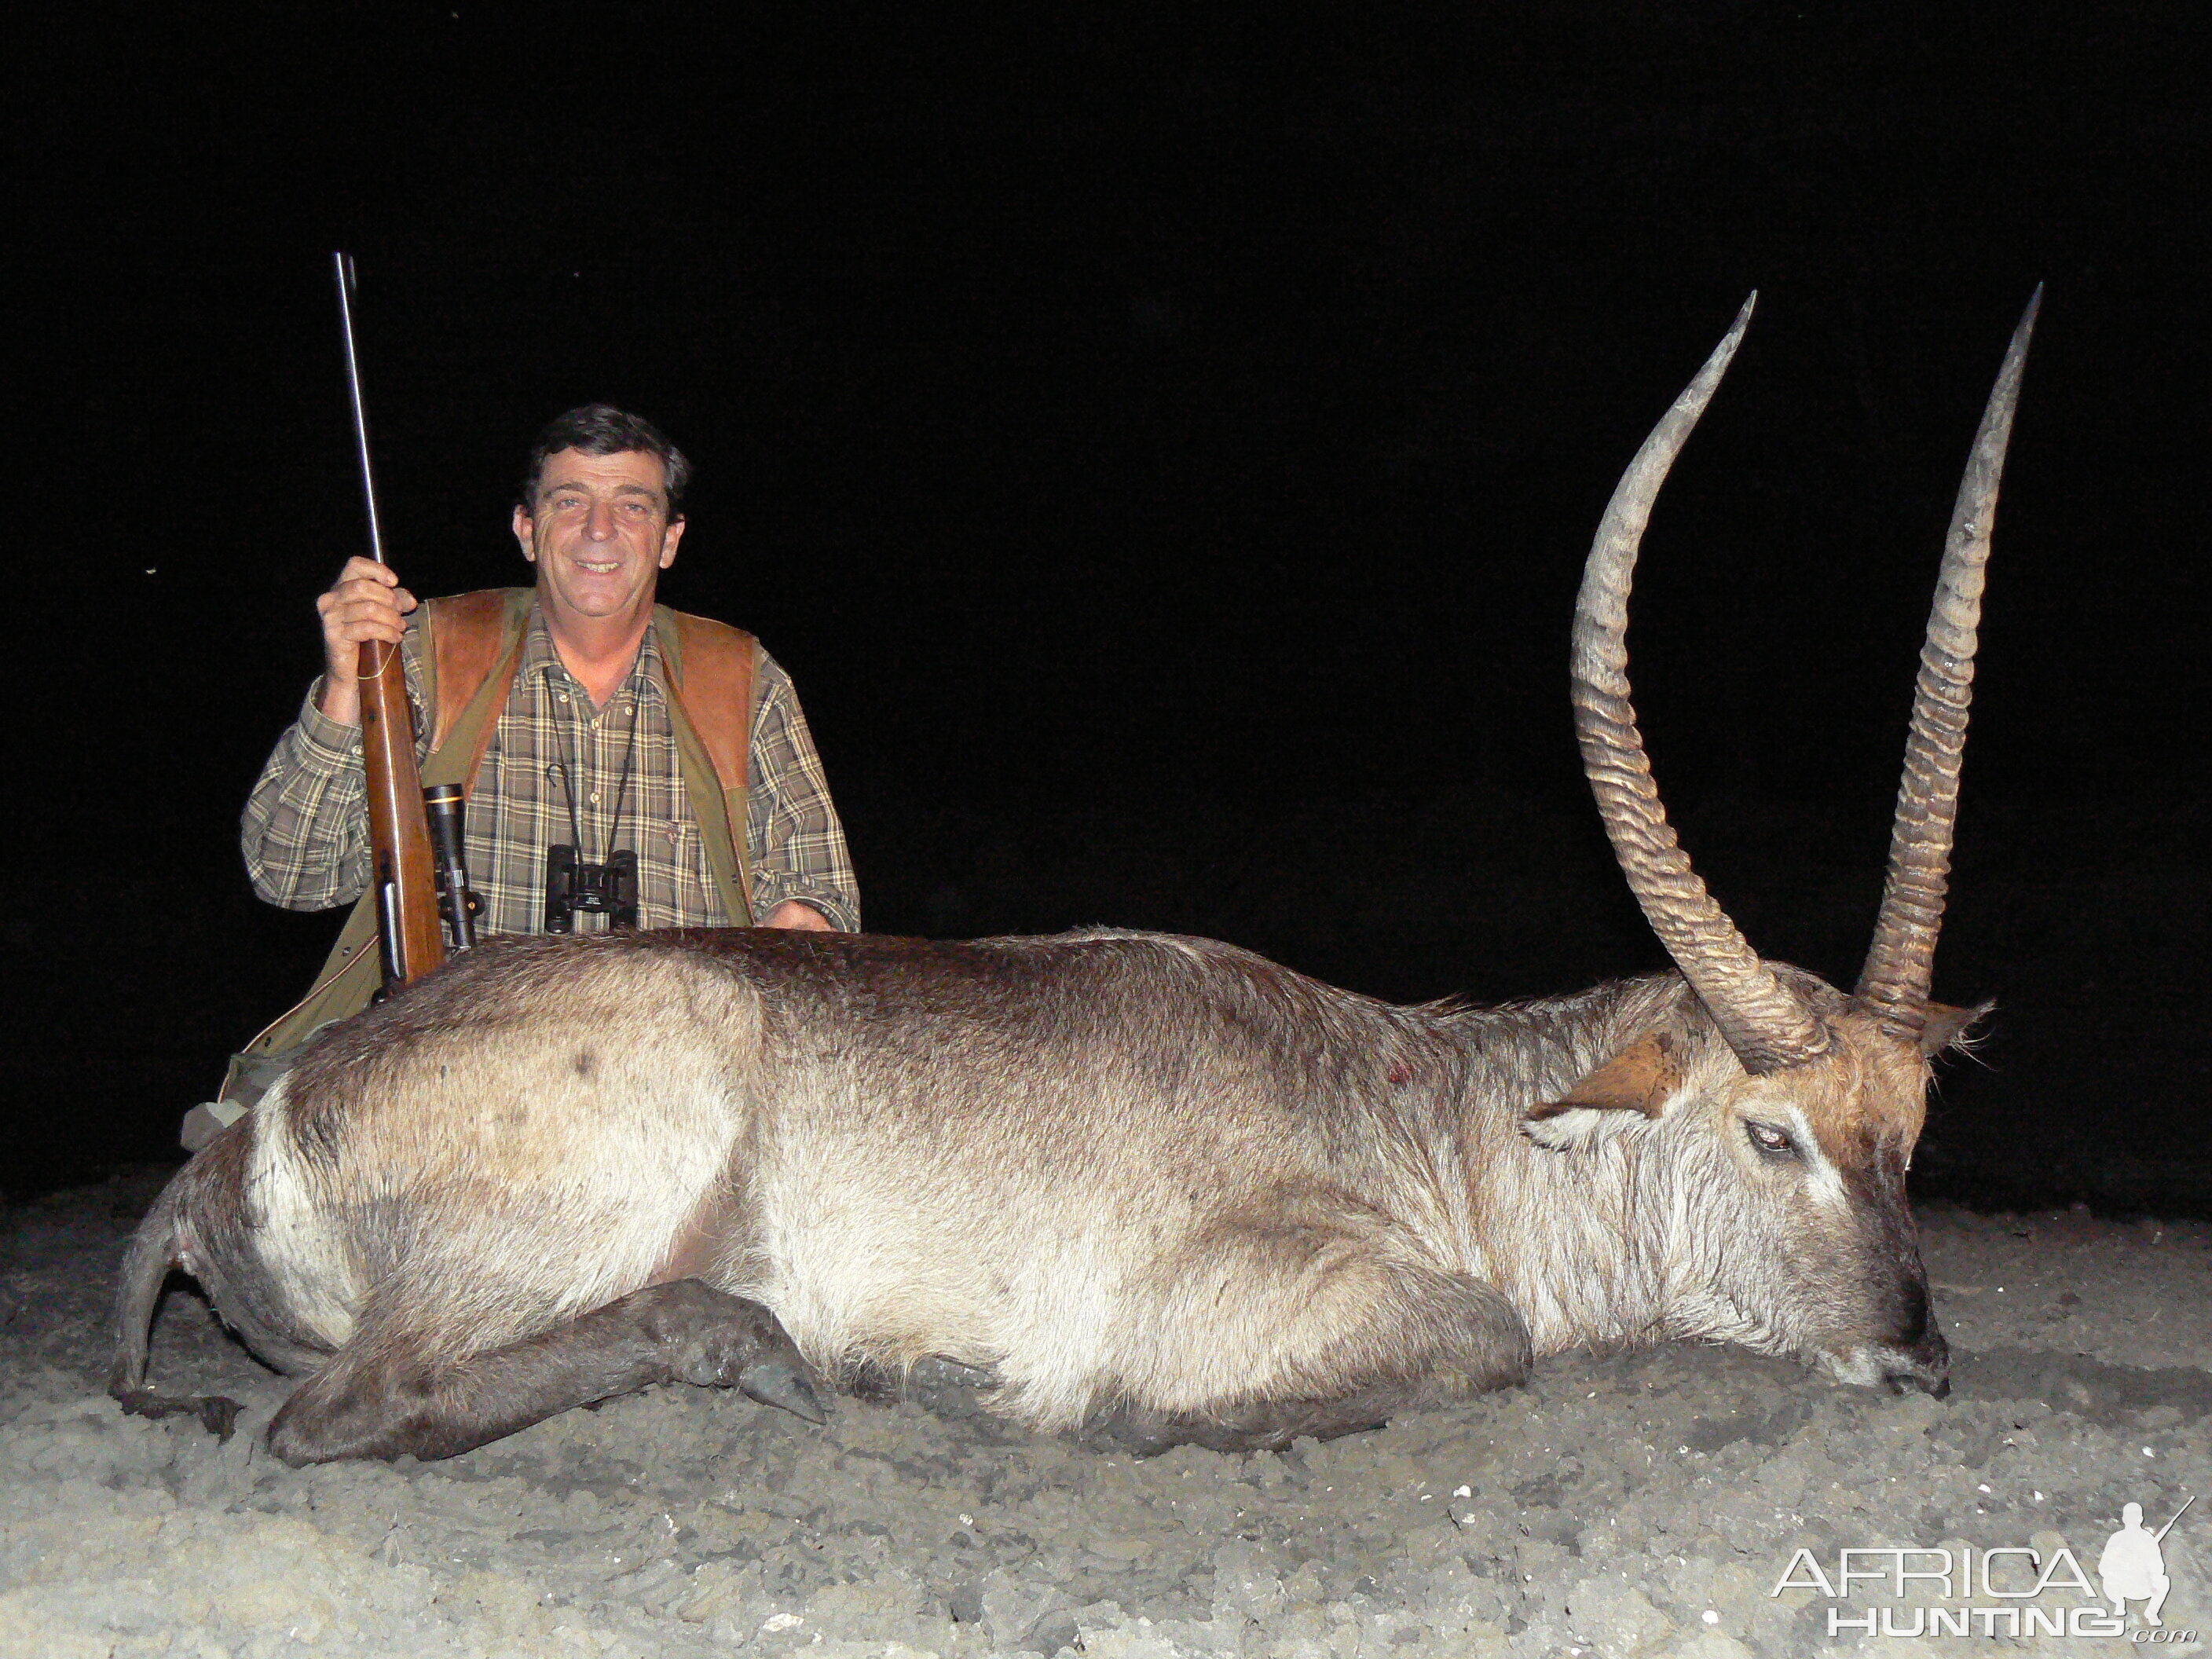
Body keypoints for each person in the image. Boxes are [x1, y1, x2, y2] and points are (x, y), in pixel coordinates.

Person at [185, 405, 859, 1148]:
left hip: (674, 1103)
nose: (600, 531)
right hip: (447, 1088)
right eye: (569, 501)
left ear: (669, 541)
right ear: (526, 529)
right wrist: (346, 688)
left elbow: (820, 885)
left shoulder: (741, 676)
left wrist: (802, 927)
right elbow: (291, 876)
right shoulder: (428, 653)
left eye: (633, 506)